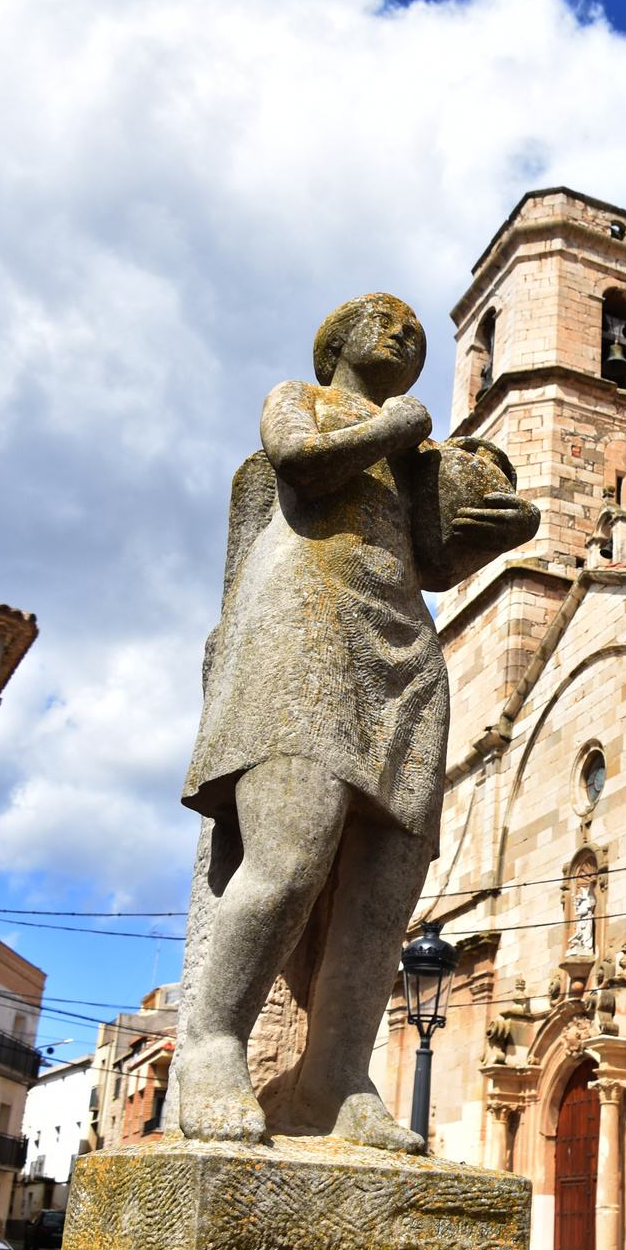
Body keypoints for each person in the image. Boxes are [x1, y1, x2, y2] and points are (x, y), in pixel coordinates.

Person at [177, 292, 537, 1149]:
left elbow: (434, 559)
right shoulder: (305, 401)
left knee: (385, 889)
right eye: (384, 320)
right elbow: (298, 461)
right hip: (301, 629)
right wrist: (396, 427)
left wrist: (497, 532)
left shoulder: (414, 456)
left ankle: (332, 1079)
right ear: (334, 342)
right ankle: (210, 1044)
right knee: (292, 854)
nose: (405, 331)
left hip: (404, 650)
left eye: (416, 331)